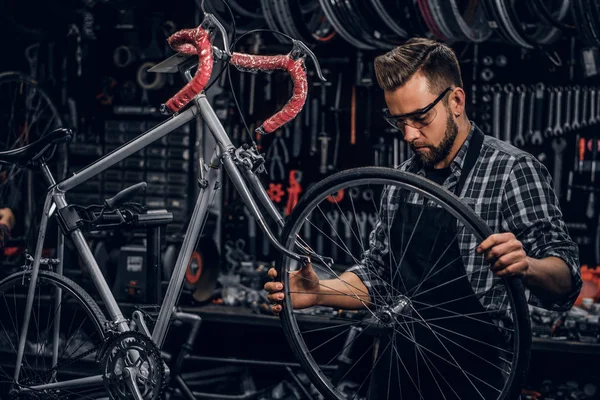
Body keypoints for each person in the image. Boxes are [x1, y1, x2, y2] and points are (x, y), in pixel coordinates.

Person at [265, 38, 581, 398]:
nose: (410, 135)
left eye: (420, 118)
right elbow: (380, 280)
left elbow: (566, 281)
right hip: (397, 379)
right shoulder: (400, 182)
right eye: (398, 122)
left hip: (477, 384)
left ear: (456, 101)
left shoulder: (511, 171)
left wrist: (526, 265)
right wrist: (321, 290)